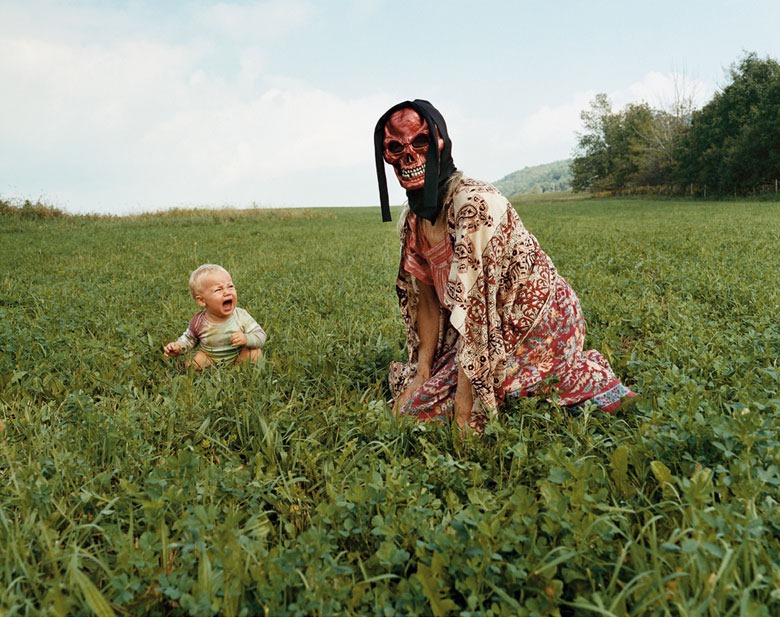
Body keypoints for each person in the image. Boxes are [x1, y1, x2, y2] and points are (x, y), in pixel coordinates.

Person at [374, 99, 635, 431]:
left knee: (436, 409)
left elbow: (476, 311)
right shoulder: (415, 219)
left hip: (536, 319)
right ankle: (492, 380)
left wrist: (466, 411)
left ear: (441, 144)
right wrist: (422, 373)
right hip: (483, 325)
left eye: (420, 142)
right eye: (395, 148)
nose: (408, 157)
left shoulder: (474, 206)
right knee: (413, 396)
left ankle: (581, 376)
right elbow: (427, 301)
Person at [164, 264, 266, 370]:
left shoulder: (241, 316)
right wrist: (179, 347)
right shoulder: (199, 321)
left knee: (254, 353)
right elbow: (189, 340)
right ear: (202, 300)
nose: (227, 292)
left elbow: (260, 335)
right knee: (193, 365)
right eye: (218, 290)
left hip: (239, 356)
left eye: (230, 286)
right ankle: (211, 370)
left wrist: (246, 338)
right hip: (211, 358)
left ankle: (237, 370)